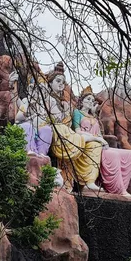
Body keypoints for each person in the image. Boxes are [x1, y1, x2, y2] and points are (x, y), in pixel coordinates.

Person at [47, 62, 103, 190]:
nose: (61, 84)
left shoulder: (65, 105)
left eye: (63, 82)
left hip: (65, 131)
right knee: (75, 136)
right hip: (54, 129)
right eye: (58, 81)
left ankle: (87, 181)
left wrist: (93, 114)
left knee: (76, 137)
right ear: (50, 83)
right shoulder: (47, 98)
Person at [72, 86, 131, 197]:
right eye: (87, 99)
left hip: (99, 145)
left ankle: (121, 187)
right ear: (81, 101)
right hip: (88, 144)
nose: (90, 102)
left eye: (92, 100)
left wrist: (95, 116)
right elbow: (77, 131)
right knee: (113, 155)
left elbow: (100, 134)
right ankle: (119, 189)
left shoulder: (94, 117)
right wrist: (97, 139)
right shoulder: (77, 113)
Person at [15, 76, 53, 158]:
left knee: (47, 129)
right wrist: (28, 108)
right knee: (28, 126)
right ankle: (29, 150)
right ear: (31, 89)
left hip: (37, 129)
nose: (40, 94)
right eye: (38, 90)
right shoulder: (26, 101)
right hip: (25, 126)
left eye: (43, 91)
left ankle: (42, 153)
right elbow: (18, 118)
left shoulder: (42, 106)